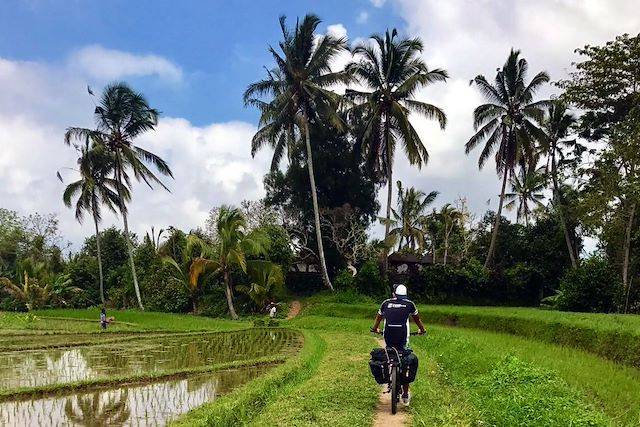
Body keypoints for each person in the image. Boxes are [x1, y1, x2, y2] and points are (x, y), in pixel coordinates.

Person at [371, 284, 425, 406]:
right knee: (405, 361)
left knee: (390, 354)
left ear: (393, 294)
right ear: (405, 295)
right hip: (403, 338)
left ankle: (389, 377)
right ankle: (405, 395)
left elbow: (378, 319)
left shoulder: (385, 303)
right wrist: (422, 330)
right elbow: (417, 320)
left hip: (388, 336)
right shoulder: (410, 304)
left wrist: (375, 329)